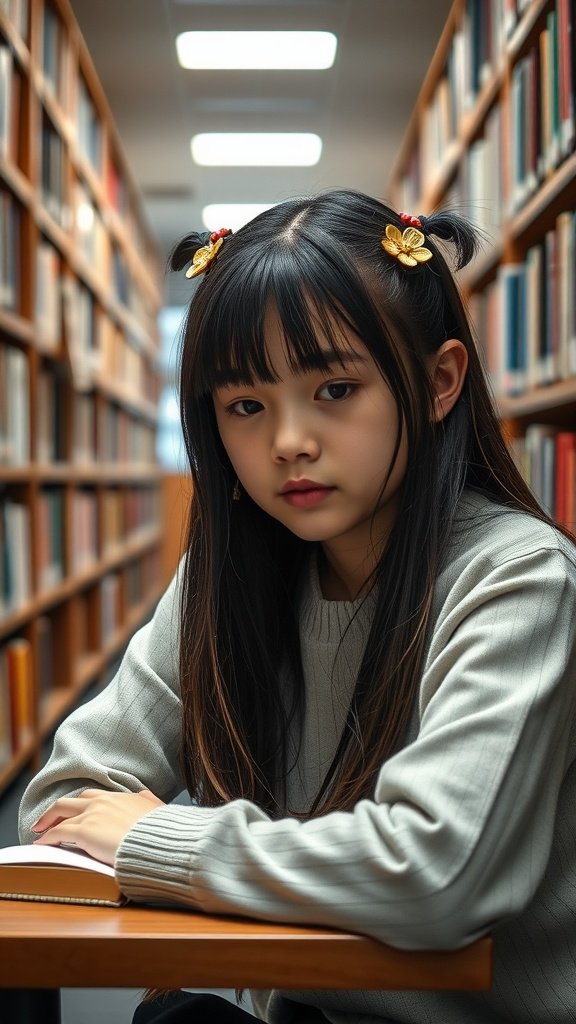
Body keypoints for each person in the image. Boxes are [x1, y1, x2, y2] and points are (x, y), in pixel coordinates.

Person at [19, 190, 576, 1024]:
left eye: (336, 390)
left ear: (438, 383)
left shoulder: (519, 579)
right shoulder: (230, 568)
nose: (288, 441)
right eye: (246, 406)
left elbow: (433, 871)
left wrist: (156, 839)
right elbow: (66, 796)